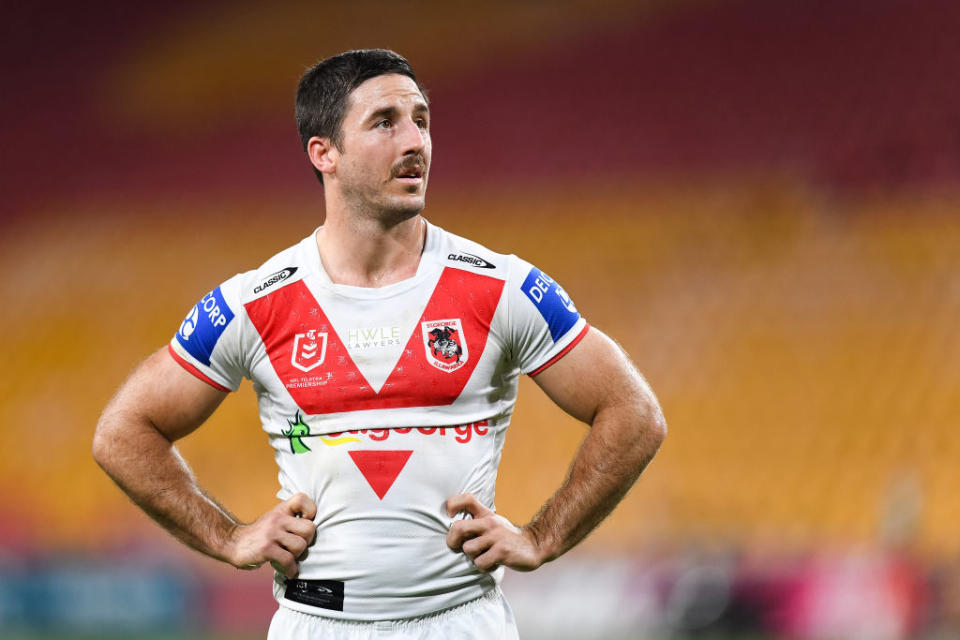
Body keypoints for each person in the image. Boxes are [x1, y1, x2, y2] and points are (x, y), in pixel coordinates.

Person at [92, 49, 666, 639]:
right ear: (324, 153)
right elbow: (123, 434)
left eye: (421, 119)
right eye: (385, 122)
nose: (414, 140)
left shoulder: (502, 287)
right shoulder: (253, 303)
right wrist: (228, 536)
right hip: (316, 623)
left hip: (460, 623)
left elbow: (634, 414)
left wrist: (542, 538)